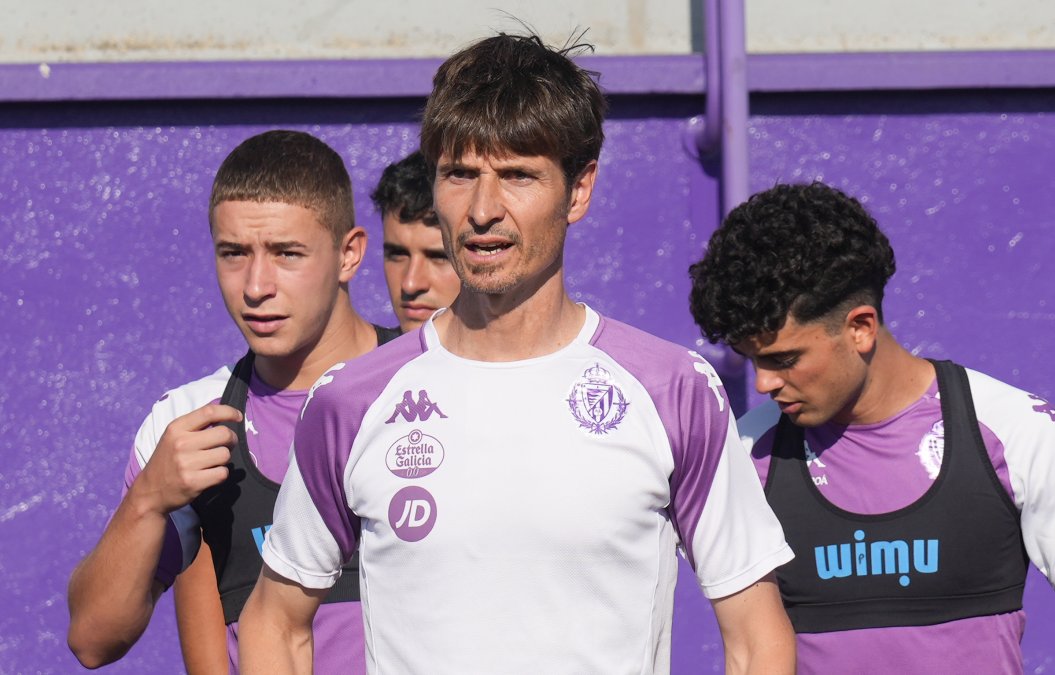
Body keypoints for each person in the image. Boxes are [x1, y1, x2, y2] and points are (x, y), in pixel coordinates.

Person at [239, 33, 797, 674]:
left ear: (579, 190)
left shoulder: (672, 390)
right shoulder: (348, 401)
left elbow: (757, 638)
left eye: (517, 176)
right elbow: (273, 624)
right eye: (459, 175)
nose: (482, 210)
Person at [688, 181, 1055, 674]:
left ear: (860, 327)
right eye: (752, 361)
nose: (764, 382)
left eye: (784, 359)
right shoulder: (746, 453)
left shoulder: (1017, 433)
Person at [67, 130, 394, 673]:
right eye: (234, 254)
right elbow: (93, 639)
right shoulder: (188, 421)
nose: (256, 285)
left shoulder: (430, 386)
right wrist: (148, 498)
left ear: (349, 254)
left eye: (287, 254)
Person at [370, 149, 461, 332]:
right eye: (397, 255)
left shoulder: (530, 358)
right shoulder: (361, 360)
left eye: (439, 257)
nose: (410, 284)